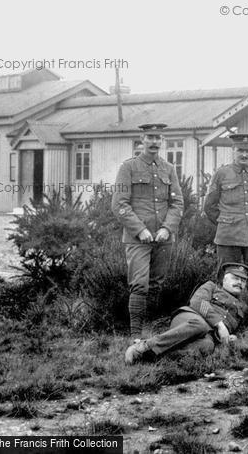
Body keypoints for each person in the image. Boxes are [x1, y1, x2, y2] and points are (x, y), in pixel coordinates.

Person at [112, 123, 184, 337]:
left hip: (163, 238)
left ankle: (150, 331)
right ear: (141, 139)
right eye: (149, 137)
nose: (154, 142)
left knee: (156, 285)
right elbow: (119, 204)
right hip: (138, 239)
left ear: (162, 140)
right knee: (140, 284)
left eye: (157, 137)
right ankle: (136, 335)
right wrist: (140, 230)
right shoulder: (129, 167)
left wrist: (167, 228)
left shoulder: (168, 169)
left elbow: (177, 203)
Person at [124, 263, 248, 364]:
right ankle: (144, 346)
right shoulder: (212, 287)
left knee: (208, 346)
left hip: (208, 335)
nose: (239, 283)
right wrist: (220, 325)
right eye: (235, 278)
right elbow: (197, 301)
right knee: (199, 325)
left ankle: (152, 357)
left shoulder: (243, 307)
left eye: (243, 280)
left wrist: (232, 338)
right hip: (189, 319)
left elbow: (238, 329)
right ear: (224, 279)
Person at [203, 133, 248, 277]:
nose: (244, 155)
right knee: (226, 276)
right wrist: (225, 222)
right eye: (240, 150)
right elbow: (209, 206)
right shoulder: (222, 174)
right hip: (228, 236)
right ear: (233, 150)